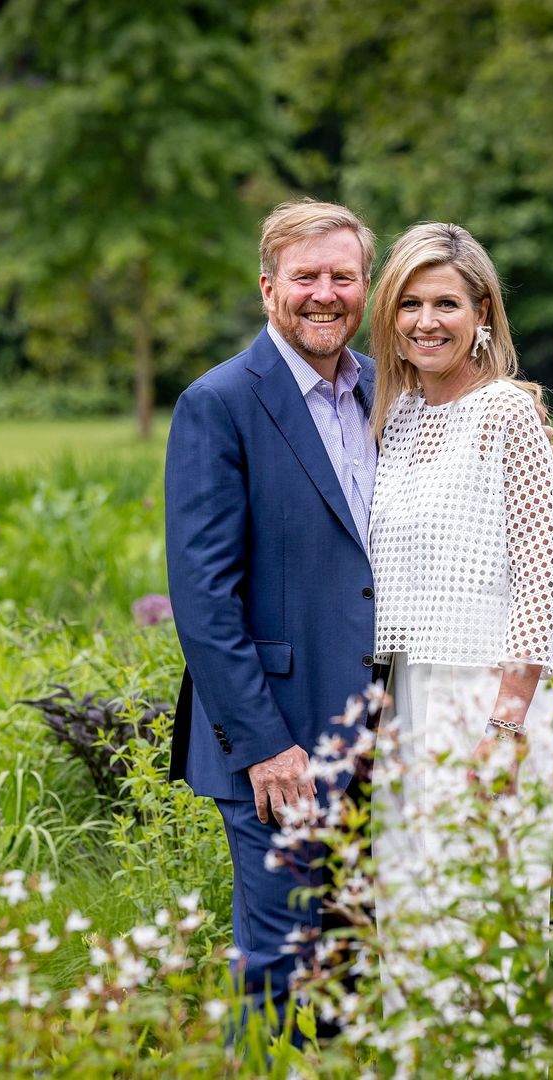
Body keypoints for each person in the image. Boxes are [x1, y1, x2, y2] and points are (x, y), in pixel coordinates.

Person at [164, 199, 379, 1025]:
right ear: (267, 288)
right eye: (305, 277)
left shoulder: (378, 395)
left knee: (354, 971)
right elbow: (204, 598)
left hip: (374, 734)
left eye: (342, 276)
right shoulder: (218, 403)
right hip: (278, 745)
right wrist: (266, 749)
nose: (324, 294)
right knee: (284, 976)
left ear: (365, 287)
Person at [366, 222, 553, 1008]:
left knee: (486, 924)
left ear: (482, 310)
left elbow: (539, 579)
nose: (427, 320)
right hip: (398, 704)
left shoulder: (509, 418)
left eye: (445, 302)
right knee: (408, 916)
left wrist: (509, 724)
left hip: (483, 700)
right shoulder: (395, 419)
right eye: (409, 303)